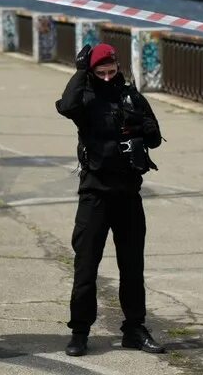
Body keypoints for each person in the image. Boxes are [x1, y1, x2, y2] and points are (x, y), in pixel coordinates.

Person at [57, 43, 166, 357]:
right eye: (99, 72)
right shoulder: (85, 99)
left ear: (118, 67)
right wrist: (80, 71)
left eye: (111, 71)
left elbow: (155, 138)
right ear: (91, 72)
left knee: (132, 266)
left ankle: (135, 328)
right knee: (86, 266)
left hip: (129, 194)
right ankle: (79, 332)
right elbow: (66, 106)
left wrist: (145, 129)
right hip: (95, 194)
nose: (107, 77)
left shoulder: (131, 96)